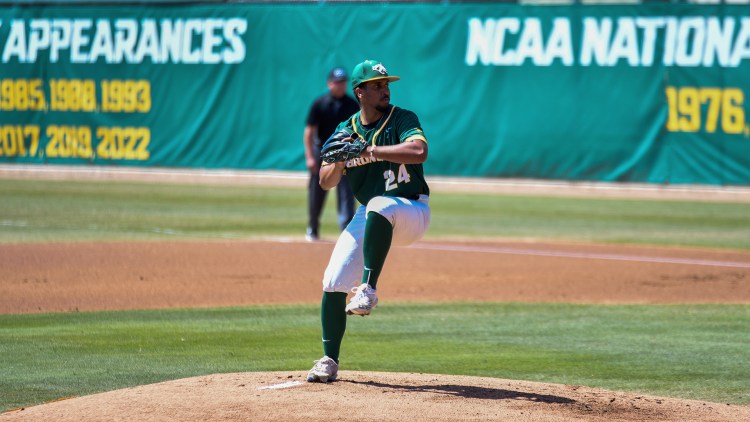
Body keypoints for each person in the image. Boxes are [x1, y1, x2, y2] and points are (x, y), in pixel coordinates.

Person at [307, 59, 431, 383]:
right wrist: (338, 162)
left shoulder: (402, 118)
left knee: (378, 204)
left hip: (412, 209)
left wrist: (372, 151)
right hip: (372, 213)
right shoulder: (346, 130)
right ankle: (328, 360)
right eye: (377, 85)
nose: (385, 89)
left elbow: (419, 152)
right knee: (333, 280)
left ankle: (369, 289)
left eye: (387, 84)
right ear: (360, 92)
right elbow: (324, 181)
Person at [303, 67, 359, 241]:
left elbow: (358, 129)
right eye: (337, 82)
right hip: (321, 152)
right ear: (329, 83)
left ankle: (346, 231)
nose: (340, 85)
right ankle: (313, 228)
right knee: (317, 191)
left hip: (345, 152)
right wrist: (310, 157)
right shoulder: (320, 103)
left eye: (343, 82)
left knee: (347, 193)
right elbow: (309, 131)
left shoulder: (352, 104)